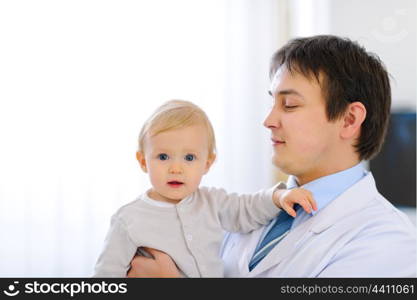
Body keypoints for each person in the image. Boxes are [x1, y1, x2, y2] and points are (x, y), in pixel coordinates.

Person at [127, 35, 416, 278]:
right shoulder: (249, 213)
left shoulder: (387, 241)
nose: (268, 120)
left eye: (289, 105)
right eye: (272, 102)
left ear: (349, 119)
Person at [94, 100, 316, 277]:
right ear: (143, 161)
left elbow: (247, 208)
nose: (176, 168)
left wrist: (279, 197)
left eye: (189, 157)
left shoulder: (213, 202)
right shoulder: (128, 219)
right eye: (163, 157)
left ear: (207, 163)